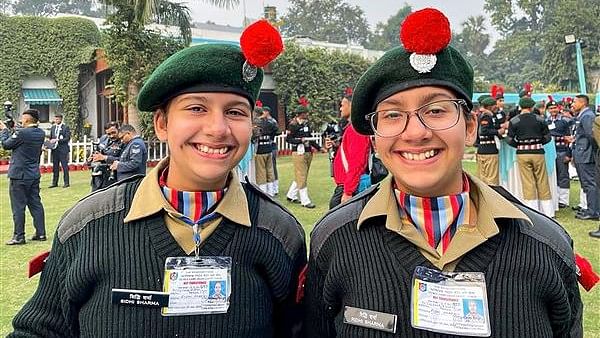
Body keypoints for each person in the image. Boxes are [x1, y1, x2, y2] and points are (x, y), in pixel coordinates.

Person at [9, 20, 306, 337]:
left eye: (235, 112)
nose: (218, 129)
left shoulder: (280, 233)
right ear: (162, 124)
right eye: (196, 108)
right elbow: (41, 330)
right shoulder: (87, 225)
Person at [304, 8, 582, 337]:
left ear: (469, 127)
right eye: (393, 115)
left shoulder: (544, 244)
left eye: (435, 110)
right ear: (375, 137)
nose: (415, 132)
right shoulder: (336, 238)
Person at [0, 109, 46, 245]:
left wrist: (3, 131)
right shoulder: (40, 133)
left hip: (19, 175)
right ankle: (41, 233)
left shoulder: (22, 133)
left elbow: (6, 144)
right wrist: (13, 129)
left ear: (27, 119)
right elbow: (21, 136)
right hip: (33, 174)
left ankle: (19, 236)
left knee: (18, 206)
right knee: (35, 204)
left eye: (23, 117)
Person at [327, 87, 371, 209]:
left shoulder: (356, 130)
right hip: (347, 184)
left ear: (351, 105)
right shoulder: (352, 128)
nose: (340, 108)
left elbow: (357, 162)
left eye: (342, 105)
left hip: (349, 186)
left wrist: (348, 191)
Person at [286, 97, 324, 208]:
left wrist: (319, 148)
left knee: (302, 175)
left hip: (308, 151)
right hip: (298, 152)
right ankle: (305, 201)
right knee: (301, 175)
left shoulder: (307, 124)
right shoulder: (293, 124)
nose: (307, 114)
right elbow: (288, 139)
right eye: (305, 113)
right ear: (300, 114)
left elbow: (310, 138)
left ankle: (291, 195)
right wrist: (299, 141)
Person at [571, 94, 599, 221]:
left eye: (575, 102)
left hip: (586, 154)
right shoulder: (582, 115)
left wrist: (591, 152)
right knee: (586, 183)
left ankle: (594, 211)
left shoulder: (587, 116)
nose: (572, 104)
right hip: (581, 152)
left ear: (583, 103)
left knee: (590, 183)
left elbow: (592, 136)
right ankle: (590, 208)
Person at [546, 97, 574, 208]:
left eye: (555, 108)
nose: (553, 110)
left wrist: (568, 154)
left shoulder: (564, 121)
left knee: (563, 175)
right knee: (552, 175)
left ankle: (563, 199)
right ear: (548, 110)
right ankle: (555, 198)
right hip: (549, 152)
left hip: (561, 150)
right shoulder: (545, 122)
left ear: (558, 108)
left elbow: (569, 138)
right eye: (551, 108)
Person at [476, 97, 504, 186]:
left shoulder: (485, 115)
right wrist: (497, 132)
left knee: (482, 179)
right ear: (490, 106)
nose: (496, 106)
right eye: (494, 105)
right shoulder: (486, 115)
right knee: (491, 179)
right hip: (489, 149)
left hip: (483, 149)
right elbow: (484, 130)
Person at [89, 121, 123, 190]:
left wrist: (105, 158)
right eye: (108, 134)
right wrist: (91, 159)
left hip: (114, 177)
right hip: (99, 177)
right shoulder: (103, 139)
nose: (111, 136)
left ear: (118, 130)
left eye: (113, 132)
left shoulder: (123, 141)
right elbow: (98, 152)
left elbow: (124, 159)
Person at [254, 104, 279, 195]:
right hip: (269, 147)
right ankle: (271, 191)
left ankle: (264, 192)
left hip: (260, 149)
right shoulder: (270, 122)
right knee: (270, 171)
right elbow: (277, 130)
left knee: (261, 172)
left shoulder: (257, 123)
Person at [48, 114, 71, 188]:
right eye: (56, 119)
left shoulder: (65, 128)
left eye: (58, 119)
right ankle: (54, 183)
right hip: (55, 150)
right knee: (55, 167)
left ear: (61, 119)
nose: (56, 120)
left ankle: (66, 182)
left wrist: (58, 140)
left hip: (63, 149)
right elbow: (51, 138)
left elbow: (67, 138)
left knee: (64, 166)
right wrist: (50, 143)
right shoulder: (53, 127)